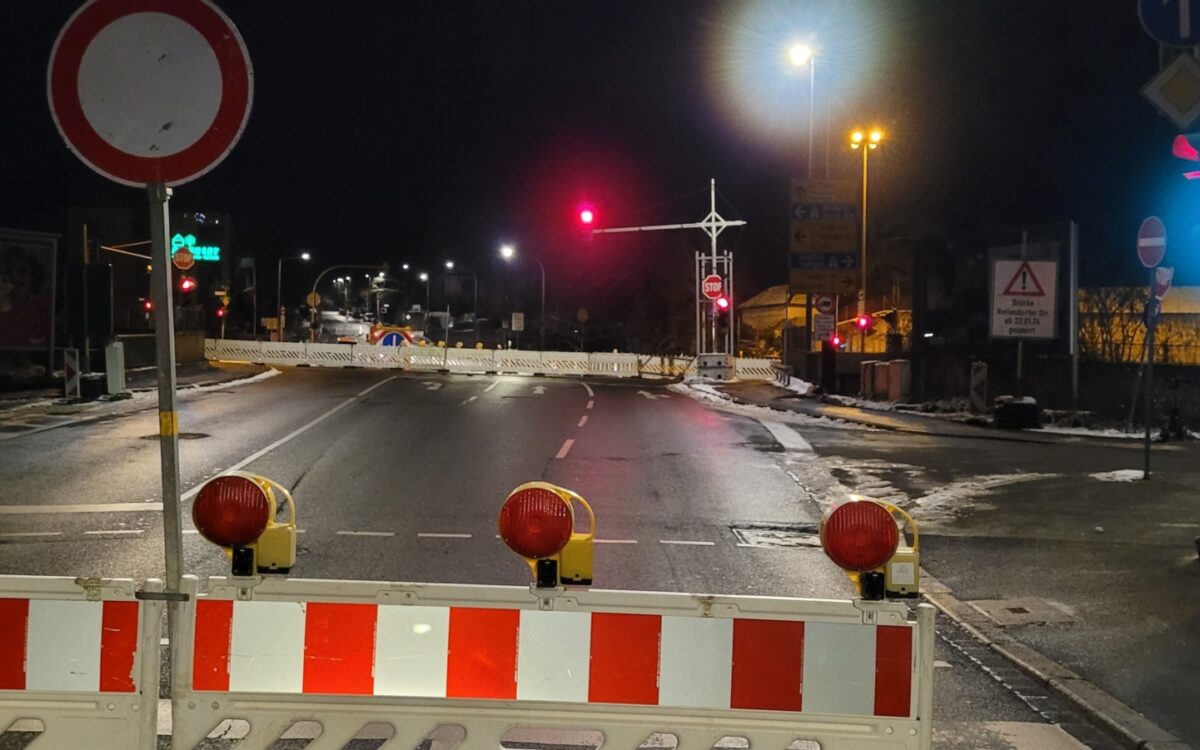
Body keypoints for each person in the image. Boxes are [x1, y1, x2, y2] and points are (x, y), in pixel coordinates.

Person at [0, 245, 51, 348]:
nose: (15, 277)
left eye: (22, 271)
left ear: (32, 274)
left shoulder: (41, 307)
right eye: (9, 272)